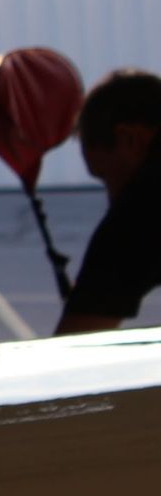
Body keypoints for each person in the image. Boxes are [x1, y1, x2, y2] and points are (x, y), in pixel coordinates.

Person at [56, 69, 161, 334]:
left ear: (130, 139)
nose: (112, 198)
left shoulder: (143, 208)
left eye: (108, 177)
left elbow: (77, 344)